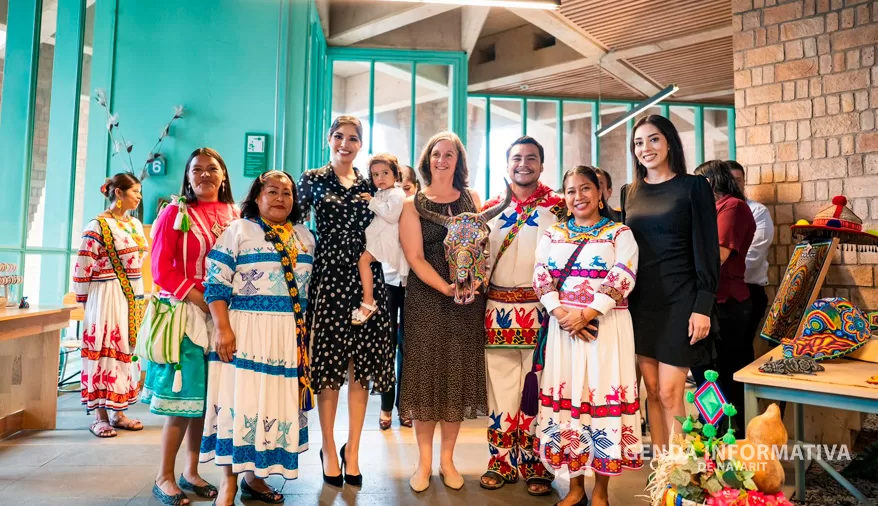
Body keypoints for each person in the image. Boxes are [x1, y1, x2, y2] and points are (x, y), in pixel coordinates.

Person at [201, 170, 315, 506]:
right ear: (257, 196)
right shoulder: (238, 230)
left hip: (286, 336)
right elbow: (216, 284)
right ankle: (228, 484)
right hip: (245, 333)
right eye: (272, 191)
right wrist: (223, 328)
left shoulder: (306, 237)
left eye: (287, 193)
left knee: (272, 404)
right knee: (242, 401)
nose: (280, 198)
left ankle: (255, 478)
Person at [534, 165, 643, 506]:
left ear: (600, 193)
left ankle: (601, 493)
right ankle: (575, 487)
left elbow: (624, 274)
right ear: (564, 197)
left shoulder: (619, 232)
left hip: (606, 329)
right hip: (564, 329)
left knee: (600, 402)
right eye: (570, 190)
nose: (578, 196)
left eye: (585, 189)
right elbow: (540, 275)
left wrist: (587, 313)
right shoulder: (553, 234)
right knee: (571, 404)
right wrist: (561, 312)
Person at [297, 116, 394, 488]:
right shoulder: (312, 179)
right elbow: (295, 222)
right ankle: (327, 446)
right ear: (328, 139)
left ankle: (352, 449)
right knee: (330, 365)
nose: (345, 143)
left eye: (353, 138)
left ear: (360, 144)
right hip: (329, 277)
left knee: (361, 368)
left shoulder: (372, 182)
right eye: (339, 136)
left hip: (368, 277)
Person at [143, 148, 239, 505]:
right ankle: (163, 475)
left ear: (223, 175)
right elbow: (162, 269)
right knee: (182, 400)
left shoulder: (236, 214)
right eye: (196, 170)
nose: (204, 175)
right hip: (186, 313)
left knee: (205, 400)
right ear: (187, 176)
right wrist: (204, 300)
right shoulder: (174, 213)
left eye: (212, 169)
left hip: (223, 317)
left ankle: (191, 470)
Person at [620, 115, 720, 454]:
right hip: (640, 302)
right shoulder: (629, 192)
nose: (645, 148)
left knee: (670, 392)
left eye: (653, 140)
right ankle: (660, 471)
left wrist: (702, 306)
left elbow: (707, 249)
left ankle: (681, 471)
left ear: (669, 143)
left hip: (681, 299)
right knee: (650, 389)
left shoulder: (694, 187)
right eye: (638, 143)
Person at [398, 131, 489, 493]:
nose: (442, 160)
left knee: (455, 375)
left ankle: (447, 460)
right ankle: (423, 463)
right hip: (427, 298)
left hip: (467, 302)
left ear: (458, 161)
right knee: (426, 376)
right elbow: (415, 257)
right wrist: (446, 288)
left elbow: (481, 247)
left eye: (449, 154)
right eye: (436, 153)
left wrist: (474, 283)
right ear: (427, 159)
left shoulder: (473, 199)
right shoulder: (411, 203)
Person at [479, 136, 564, 496]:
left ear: (542, 165)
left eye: (532, 158)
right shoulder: (489, 208)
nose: (523, 164)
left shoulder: (560, 208)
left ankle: (535, 461)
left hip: (543, 313)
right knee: (500, 391)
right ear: (507, 164)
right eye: (516, 158)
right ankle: (499, 460)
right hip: (497, 311)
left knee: (538, 391)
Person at [73, 173, 147, 438]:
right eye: (135, 191)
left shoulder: (135, 225)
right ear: (119, 193)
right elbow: (83, 263)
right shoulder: (97, 225)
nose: (139, 196)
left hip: (130, 295)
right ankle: (99, 415)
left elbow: (140, 263)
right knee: (105, 349)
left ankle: (118, 412)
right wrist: (84, 299)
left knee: (125, 349)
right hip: (105, 294)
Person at [693, 160, 756, 434]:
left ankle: (730, 437)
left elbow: (716, 257)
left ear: (712, 180)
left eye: (699, 182)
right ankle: (713, 432)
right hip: (708, 304)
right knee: (708, 376)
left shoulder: (733, 207)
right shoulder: (709, 209)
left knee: (727, 376)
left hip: (727, 305)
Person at [379, 164, 419, 430]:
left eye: (408, 188)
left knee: (408, 347)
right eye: (398, 188)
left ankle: (405, 406)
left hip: (413, 282)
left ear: (415, 188)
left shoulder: (418, 210)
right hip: (386, 280)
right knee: (386, 344)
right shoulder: (384, 207)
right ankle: (385, 406)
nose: (402, 194)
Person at [352, 153, 409, 325]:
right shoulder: (382, 193)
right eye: (375, 175)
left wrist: (372, 201)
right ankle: (368, 299)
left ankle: (368, 300)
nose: (380, 178)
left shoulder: (397, 194)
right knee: (363, 261)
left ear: (395, 174)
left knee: (363, 261)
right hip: (379, 237)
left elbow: (391, 215)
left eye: (385, 173)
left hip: (387, 239)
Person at [727, 160, 775, 348]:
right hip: (719, 292)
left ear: (744, 182)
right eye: (729, 180)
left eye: (738, 180)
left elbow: (752, 258)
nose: (733, 184)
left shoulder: (757, 211)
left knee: (740, 349)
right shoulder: (714, 212)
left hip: (748, 290)